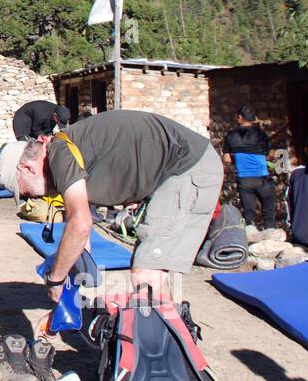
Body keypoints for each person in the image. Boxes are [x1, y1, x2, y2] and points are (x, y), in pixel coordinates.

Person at [38, 110, 223, 327]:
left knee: (147, 273)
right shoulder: (73, 153)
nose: (39, 196)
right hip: (189, 165)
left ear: (27, 166)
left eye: (26, 191)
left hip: (187, 167)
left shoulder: (59, 151)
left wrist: (55, 280)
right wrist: (62, 308)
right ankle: (165, 340)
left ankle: (160, 349)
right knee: (151, 272)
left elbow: (80, 225)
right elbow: (81, 244)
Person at [223, 105, 276, 229]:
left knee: (249, 215)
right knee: (269, 214)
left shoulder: (231, 136)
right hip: (263, 179)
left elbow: (227, 159)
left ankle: (249, 243)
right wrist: (263, 159)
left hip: (244, 181)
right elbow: (272, 154)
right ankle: (272, 240)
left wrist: (237, 159)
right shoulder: (261, 134)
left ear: (240, 117)